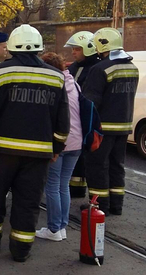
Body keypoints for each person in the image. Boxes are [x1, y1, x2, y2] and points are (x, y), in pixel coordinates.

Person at [0, 24, 69, 262]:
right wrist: (57, 147)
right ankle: (21, 250)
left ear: (11, 47)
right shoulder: (55, 76)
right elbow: (63, 119)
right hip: (38, 155)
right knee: (28, 202)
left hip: (2, 152)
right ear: (38, 47)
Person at [82, 28, 139, 215]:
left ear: (101, 45)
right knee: (116, 166)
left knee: (97, 166)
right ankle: (116, 205)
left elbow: (91, 102)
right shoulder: (132, 67)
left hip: (102, 127)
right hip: (123, 127)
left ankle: (99, 205)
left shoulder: (100, 69)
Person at [35, 52, 81, 242]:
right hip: (77, 142)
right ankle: (61, 226)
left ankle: (54, 229)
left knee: (52, 186)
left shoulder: (52, 85)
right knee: (63, 185)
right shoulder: (74, 83)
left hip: (60, 142)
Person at [63, 31, 100, 198]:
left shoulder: (94, 69)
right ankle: (73, 187)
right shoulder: (74, 67)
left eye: (77, 49)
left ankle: (78, 189)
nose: (73, 52)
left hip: (83, 119)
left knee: (83, 158)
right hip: (73, 119)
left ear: (88, 49)